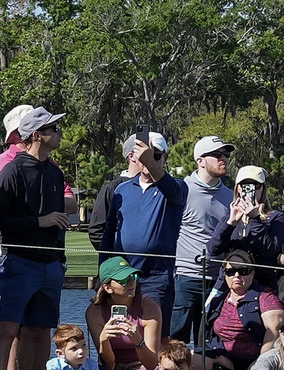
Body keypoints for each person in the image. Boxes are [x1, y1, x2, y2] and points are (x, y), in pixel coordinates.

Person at [0, 105, 68, 370]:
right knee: (8, 328)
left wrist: (58, 259)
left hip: (49, 265)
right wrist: (40, 221)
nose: (59, 133)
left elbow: (55, 219)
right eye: (54, 129)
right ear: (37, 135)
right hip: (19, 261)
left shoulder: (55, 172)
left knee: (37, 331)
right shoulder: (13, 171)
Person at [106, 130, 187, 328]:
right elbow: (108, 233)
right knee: (121, 332)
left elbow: (175, 194)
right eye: (145, 155)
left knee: (158, 336)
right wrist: (105, 274)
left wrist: (149, 161)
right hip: (121, 277)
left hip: (156, 278)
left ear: (165, 158)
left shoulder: (176, 187)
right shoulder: (121, 190)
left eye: (156, 155)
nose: (149, 160)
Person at [170, 135, 235, 341]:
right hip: (185, 278)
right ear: (200, 161)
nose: (223, 159)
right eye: (216, 155)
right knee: (176, 342)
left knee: (208, 345)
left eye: (225, 154)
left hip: (218, 281)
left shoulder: (231, 196)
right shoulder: (182, 190)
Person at [87, 256, 163, 370]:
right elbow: (109, 363)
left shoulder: (148, 306)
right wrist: (104, 341)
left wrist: (138, 341)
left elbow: (151, 364)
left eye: (133, 277)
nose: (131, 282)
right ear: (107, 287)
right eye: (123, 280)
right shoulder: (95, 312)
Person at [199, 250, 283, 370]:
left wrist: (262, 358)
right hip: (223, 355)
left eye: (243, 271)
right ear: (225, 275)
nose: (236, 275)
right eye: (230, 272)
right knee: (193, 361)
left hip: (255, 357)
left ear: (252, 273)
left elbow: (274, 330)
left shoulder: (266, 297)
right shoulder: (218, 299)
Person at [214, 164, 284, 297]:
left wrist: (255, 219)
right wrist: (230, 224)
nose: (250, 190)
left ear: (263, 189)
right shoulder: (230, 215)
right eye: (244, 185)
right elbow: (213, 250)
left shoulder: (276, 217)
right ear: (237, 189)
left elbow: (268, 250)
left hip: (263, 288)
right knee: (207, 314)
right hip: (229, 283)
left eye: (255, 186)